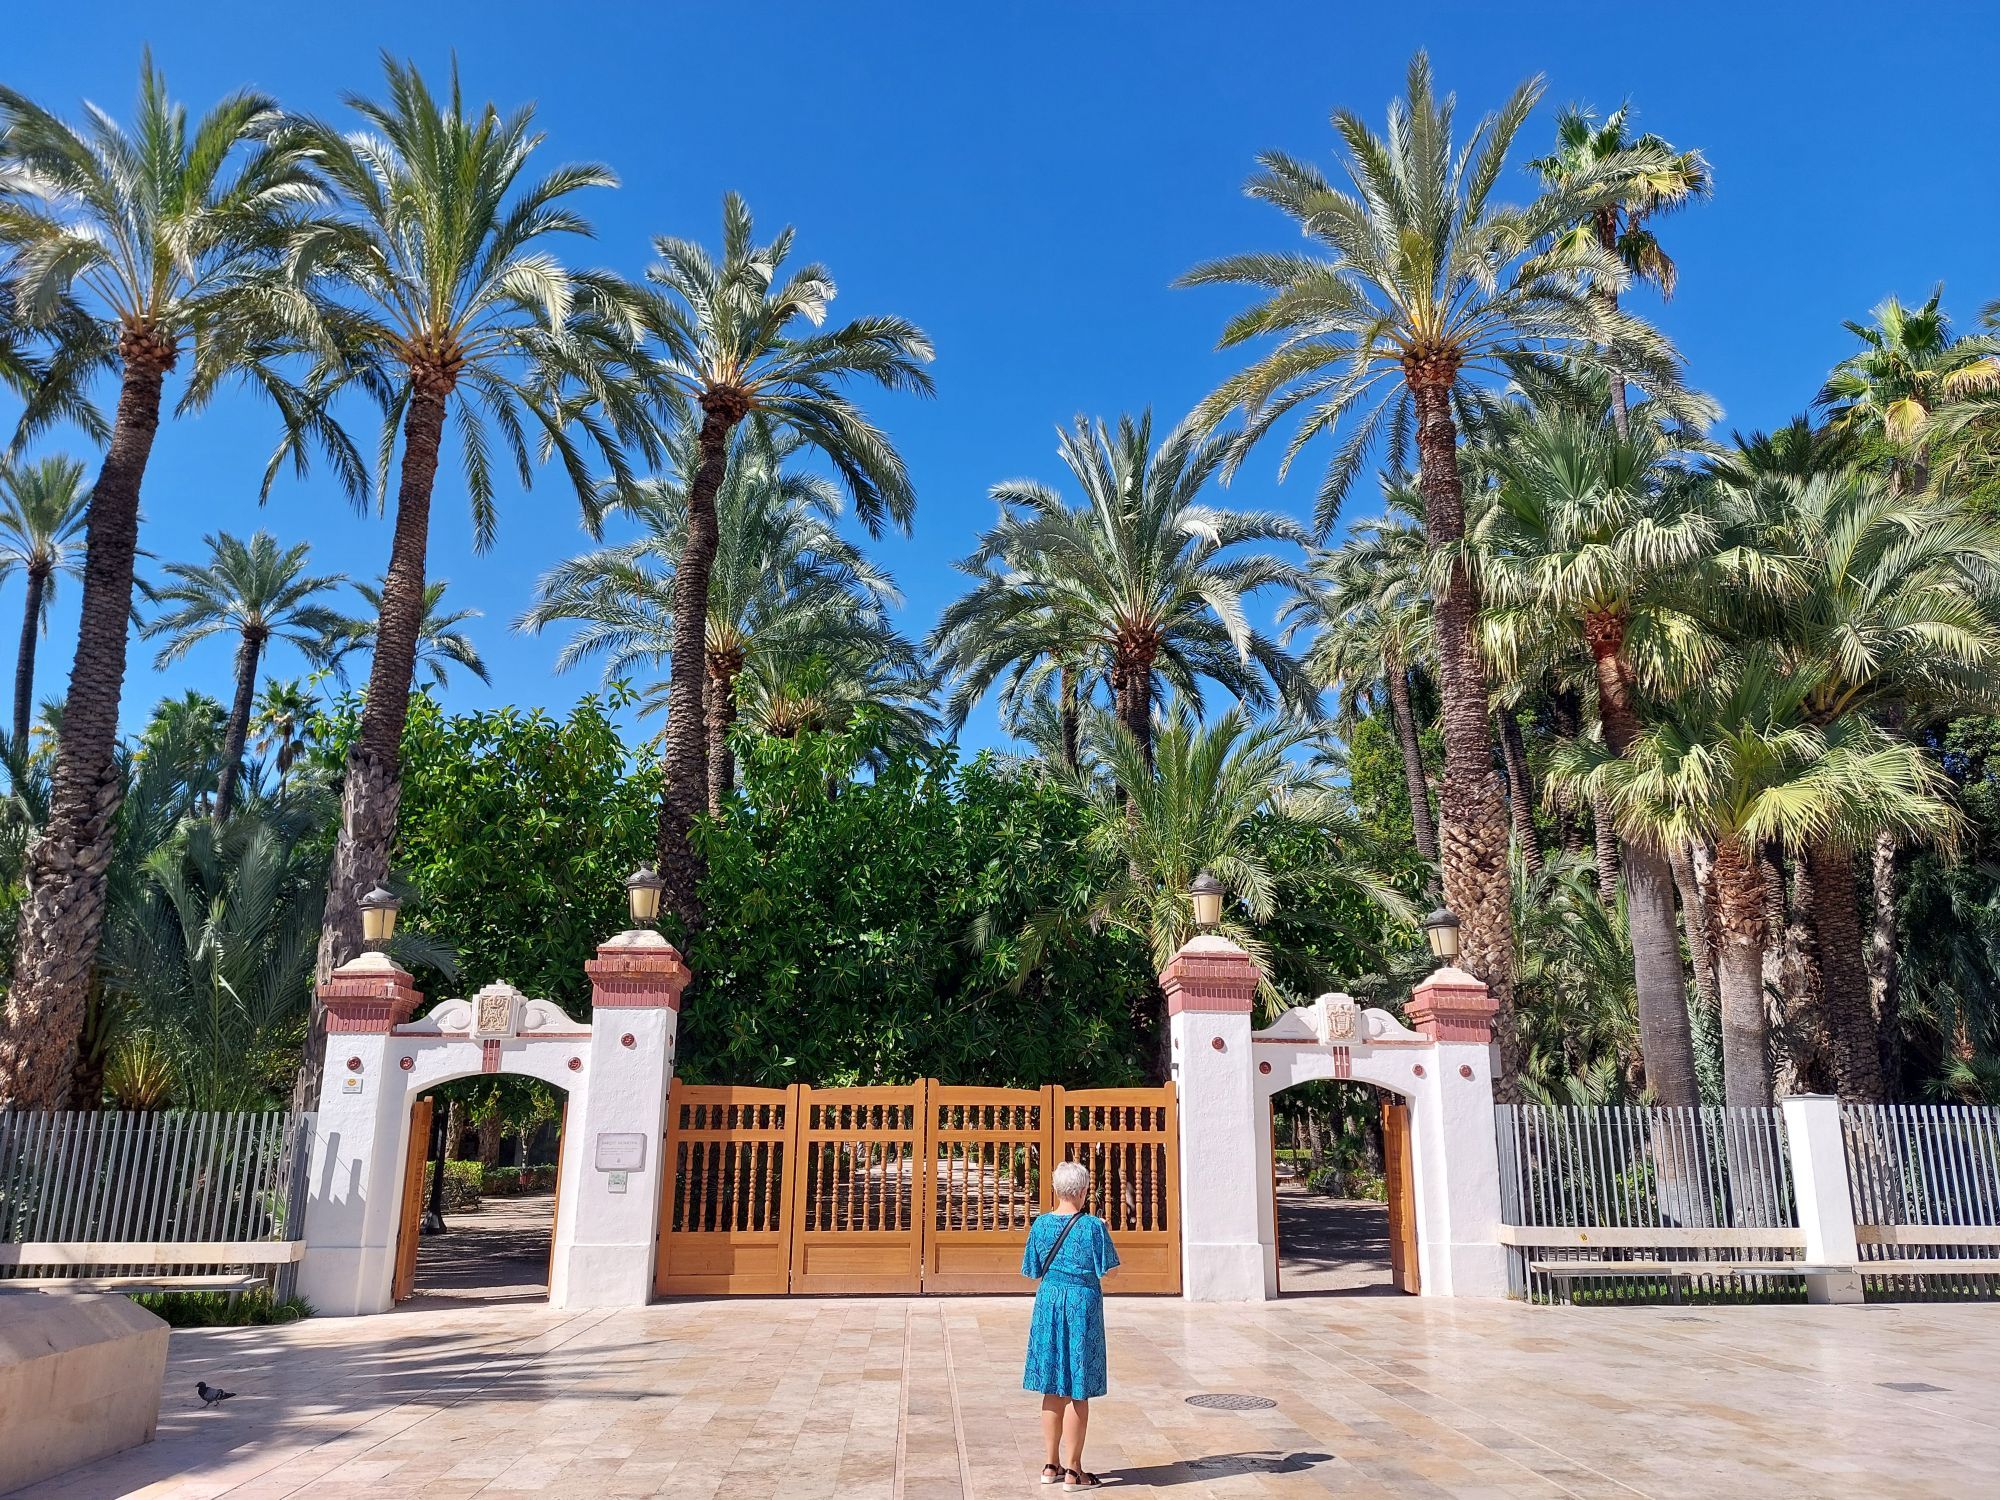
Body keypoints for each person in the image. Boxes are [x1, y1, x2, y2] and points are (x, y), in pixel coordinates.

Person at [1022, 1158, 1119, 1491]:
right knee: (1078, 1388)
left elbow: (1032, 1270)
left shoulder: (1040, 1225)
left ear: (1057, 1189)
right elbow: (1111, 1270)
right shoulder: (1093, 1227)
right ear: (1082, 1190)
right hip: (1082, 1306)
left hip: (1049, 1303)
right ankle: (1075, 1471)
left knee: (1052, 1385)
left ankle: (1051, 1464)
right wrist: (1104, 1231)